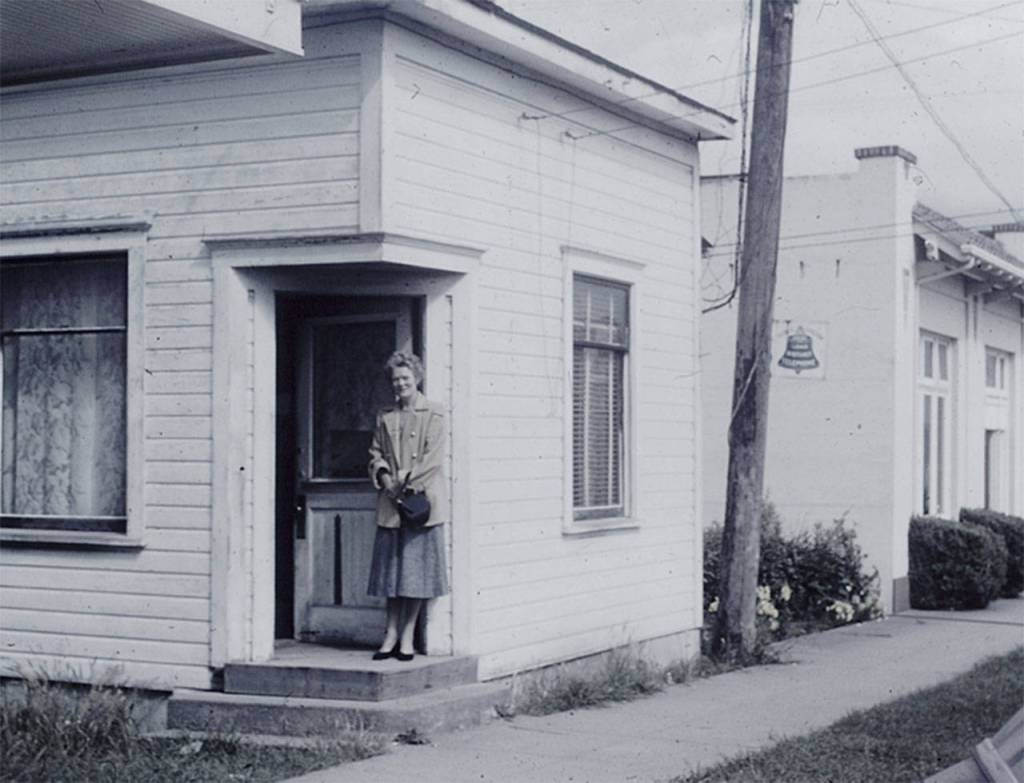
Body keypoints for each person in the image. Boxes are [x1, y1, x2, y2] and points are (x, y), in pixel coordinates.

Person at [367, 351, 449, 661]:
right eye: (396, 379)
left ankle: (407, 637)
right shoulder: (385, 415)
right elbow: (375, 452)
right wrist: (384, 475)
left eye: (406, 378)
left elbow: (433, 460)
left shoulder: (435, 414)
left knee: (415, 574)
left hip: (419, 504)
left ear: (417, 379)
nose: (401, 384)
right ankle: (389, 634)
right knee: (392, 576)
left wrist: (404, 481)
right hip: (391, 504)